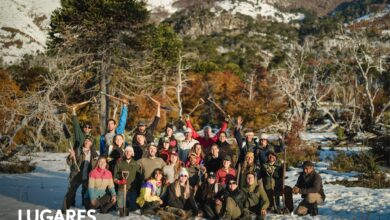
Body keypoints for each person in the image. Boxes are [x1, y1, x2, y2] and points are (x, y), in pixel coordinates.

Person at [62, 137, 98, 212]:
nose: (87, 141)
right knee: (71, 192)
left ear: (91, 143)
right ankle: (64, 209)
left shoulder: (94, 154)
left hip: (87, 177)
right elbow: (69, 163)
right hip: (77, 175)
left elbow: (96, 166)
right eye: (86, 140)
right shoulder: (78, 150)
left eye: (89, 141)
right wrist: (70, 156)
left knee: (88, 193)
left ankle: (88, 209)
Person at [114, 146, 142, 216]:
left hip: (132, 188)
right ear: (124, 153)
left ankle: (133, 207)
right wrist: (119, 181)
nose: (128, 153)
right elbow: (114, 177)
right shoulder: (119, 163)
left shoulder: (136, 163)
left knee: (133, 206)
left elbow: (139, 176)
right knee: (120, 207)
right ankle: (119, 208)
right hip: (121, 188)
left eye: (130, 151)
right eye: (126, 151)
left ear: (132, 153)